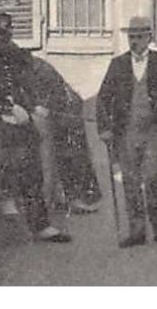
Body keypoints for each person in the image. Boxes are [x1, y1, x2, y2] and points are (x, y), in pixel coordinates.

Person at [0, 11, 68, 243]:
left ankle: (39, 222)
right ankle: (10, 198)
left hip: (19, 114)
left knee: (32, 147)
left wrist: (31, 106)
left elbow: (27, 87)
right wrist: (4, 109)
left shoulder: (19, 57)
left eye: (8, 31)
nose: (4, 37)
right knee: (19, 150)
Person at [96, 17, 157, 248]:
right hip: (127, 132)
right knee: (131, 182)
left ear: (149, 38)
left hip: (153, 131)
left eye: (140, 37)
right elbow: (103, 98)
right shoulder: (118, 64)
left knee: (152, 178)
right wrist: (104, 128)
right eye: (131, 37)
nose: (135, 41)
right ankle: (137, 231)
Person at [27, 56, 102, 214]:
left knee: (71, 152)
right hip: (62, 110)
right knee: (68, 152)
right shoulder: (35, 66)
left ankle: (72, 197)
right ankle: (69, 196)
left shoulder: (38, 69)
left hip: (64, 110)